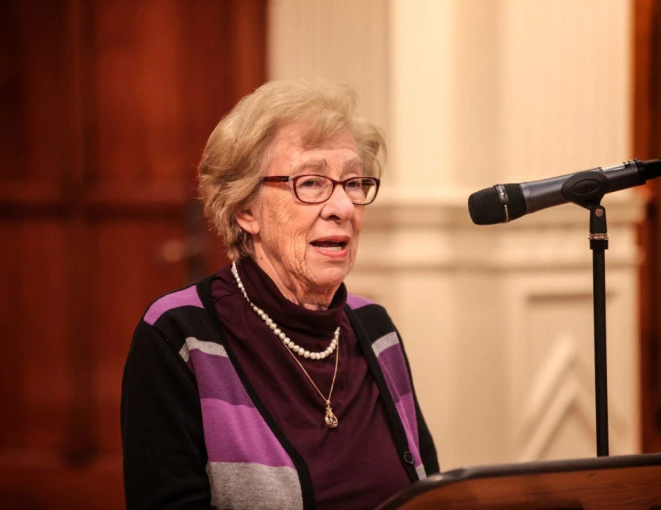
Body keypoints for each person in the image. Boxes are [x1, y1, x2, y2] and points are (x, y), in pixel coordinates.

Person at [121, 80, 438, 509]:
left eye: (353, 183)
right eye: (311, 183)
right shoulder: (179, 335)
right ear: (245, 209)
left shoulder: (375, 329)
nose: (343, 207)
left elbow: (430, 495)